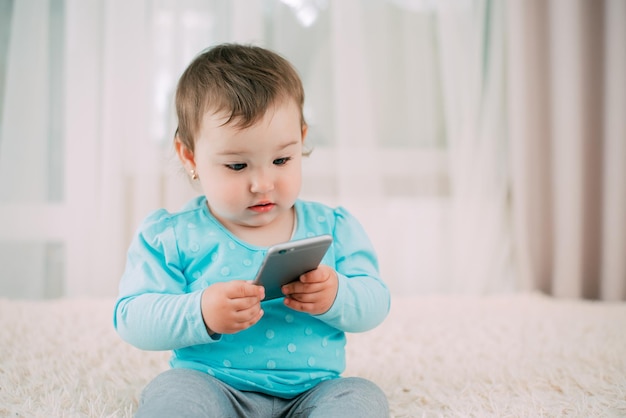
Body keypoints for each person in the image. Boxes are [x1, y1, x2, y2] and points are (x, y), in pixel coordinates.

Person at [113, 43, 391, 418]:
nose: (262, 184)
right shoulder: (171, 235)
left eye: (281, 160)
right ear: (190, 156)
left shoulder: (333, 226)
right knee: (172, 395)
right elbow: (133, 317)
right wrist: (200, 311)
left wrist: (336, 294)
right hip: (212, 384)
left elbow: (375, 302)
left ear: (302, 138)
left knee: (361, 397)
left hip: (313, 390)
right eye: (237, 166)